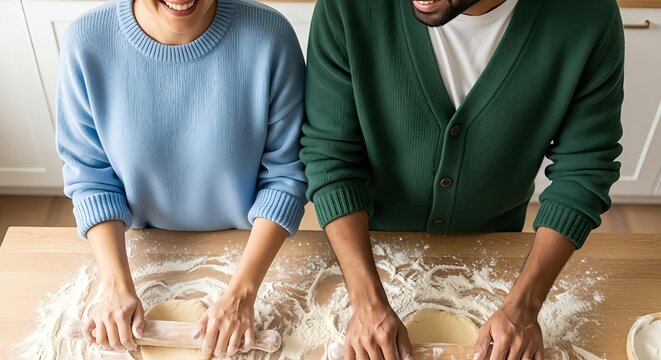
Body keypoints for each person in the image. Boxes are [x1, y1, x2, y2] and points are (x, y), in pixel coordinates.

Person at [300, 0, 624, 358]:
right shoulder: (347, 7)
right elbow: (331, 156)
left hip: (498, 253)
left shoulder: (587, 14)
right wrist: (366, 302)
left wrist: (524, 308)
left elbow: (584, 168)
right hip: (366, 246)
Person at [56, 0, 306, 357]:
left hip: (249, 247)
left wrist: (242, 294)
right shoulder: (87, 42)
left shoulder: (270, 37)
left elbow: (286, 175)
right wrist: (114, 284)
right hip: (137, 246)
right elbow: (92, 177)